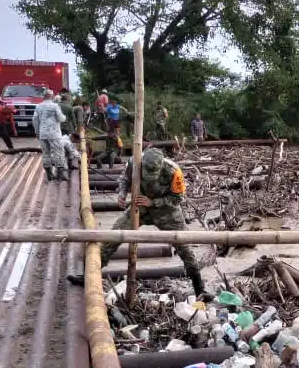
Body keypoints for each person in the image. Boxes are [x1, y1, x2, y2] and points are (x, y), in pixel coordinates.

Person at [67, 148, 207, 295]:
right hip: (139, 208)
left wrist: (153, 202)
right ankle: (88, 276)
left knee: (184, 247)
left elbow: (178, 198)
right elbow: (124, 179)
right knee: (113, 237)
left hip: (167, 211)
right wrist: (122, 193)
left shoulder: (173, 171)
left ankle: (200, 289)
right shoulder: (134, 163)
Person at [33, 88, 68, 181]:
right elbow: (61, 118)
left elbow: (35, 120)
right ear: (51, 96)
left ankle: (49, 174)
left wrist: (37, 131)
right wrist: (65, 117)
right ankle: (60, 175)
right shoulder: (55, 106)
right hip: (54, 134)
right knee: (59, 152)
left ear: (44, 96)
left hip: (43, 134)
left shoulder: (38, 106)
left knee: (46, 153)